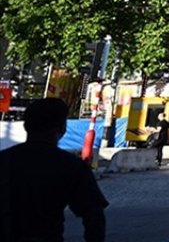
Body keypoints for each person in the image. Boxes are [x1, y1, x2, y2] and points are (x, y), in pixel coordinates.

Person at [0, 97, 109, 242]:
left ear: (26, 126)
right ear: (62, 128)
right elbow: (94, 216)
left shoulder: (4, 160)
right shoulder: (71, 166)